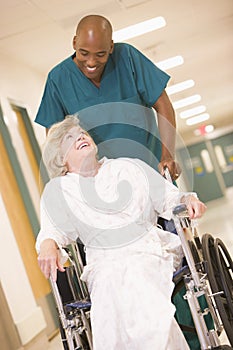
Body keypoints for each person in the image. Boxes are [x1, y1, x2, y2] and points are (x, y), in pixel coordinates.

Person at [36, 115, 206, 350]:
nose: (80, 137)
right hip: (103, 263)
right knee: (109, 292)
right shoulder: (59, 189)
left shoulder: (128, 166)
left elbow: (169, 198)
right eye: (69, 138)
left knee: (136, 275)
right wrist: (47, 244)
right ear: (61, 159)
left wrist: (187, 198)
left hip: (147, 247)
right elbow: (52, 230)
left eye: (81, 133)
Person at [35, 14, 181, 181]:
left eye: (100, 54)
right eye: (84, 53)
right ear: (74, 43)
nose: (91, 62)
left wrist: (167, 156)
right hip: (102, 185)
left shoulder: (127, 57)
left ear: (111, 47)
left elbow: (163, 104)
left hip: (152, 172)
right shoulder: (58, 80)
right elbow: (56, 139)